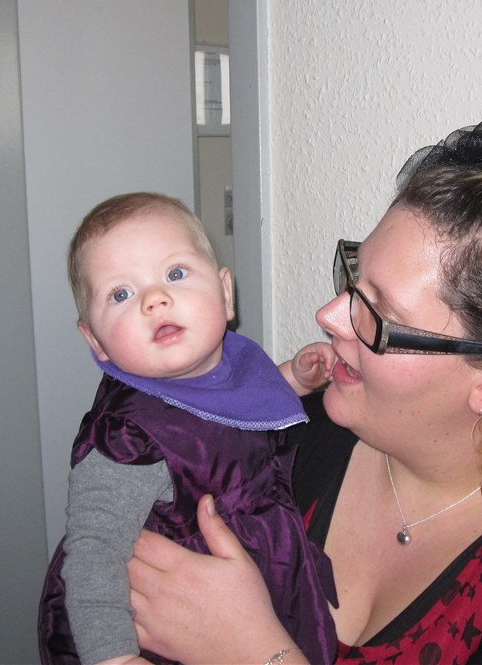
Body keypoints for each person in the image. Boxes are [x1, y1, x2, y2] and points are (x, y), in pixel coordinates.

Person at [125, 111, 482, 664]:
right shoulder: (284, 436)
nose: (329, 315)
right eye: (354, 279)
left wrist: (255, 654)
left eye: (379, 315)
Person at [37, 193, 339, 665]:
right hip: (162, 626)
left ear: (225, 293)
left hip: (253, 592)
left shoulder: (227, 363)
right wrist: (114, 656)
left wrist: (291, 380)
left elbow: (236, 408)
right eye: (121, 294)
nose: (154, 299)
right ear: (95, 340)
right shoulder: (127, 439)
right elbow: (94, 553)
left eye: (175, 274)